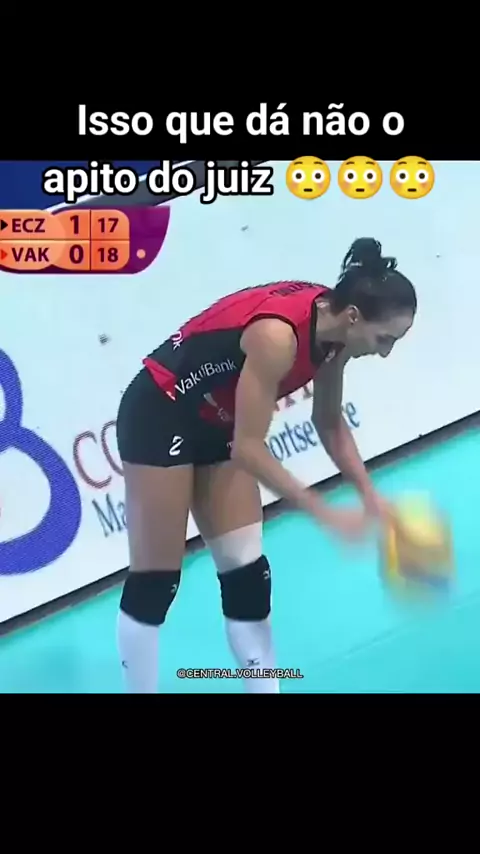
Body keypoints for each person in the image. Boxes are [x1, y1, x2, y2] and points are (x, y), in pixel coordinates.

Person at [115, 237, 417, 693]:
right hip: (161, 410)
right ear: (355, 316)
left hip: (218, 418)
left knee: (248, 576)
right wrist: (325, 513)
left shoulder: (335, 334)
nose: (385, 351)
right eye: (385, 339)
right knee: (156, 581)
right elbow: (249, 449)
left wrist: (371, 498)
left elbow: (329, 422)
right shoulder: (278, 337)